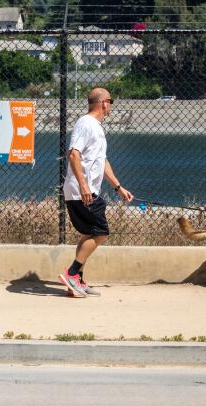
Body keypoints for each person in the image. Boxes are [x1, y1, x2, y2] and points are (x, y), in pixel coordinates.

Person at [58, 87, 133, 298]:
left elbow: (102, 161)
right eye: (111, 101)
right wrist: (83, 186)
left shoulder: (97, 127)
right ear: (104, 103)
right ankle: (72, 274)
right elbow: (74, 154)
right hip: (82, 190)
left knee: (88, 234)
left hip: (84, 190)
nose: (111, 106)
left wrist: (118, 187)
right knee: (101, 232)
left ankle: (77, 283)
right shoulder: (86, 124)